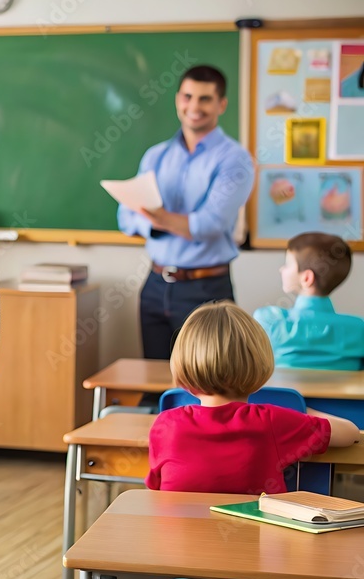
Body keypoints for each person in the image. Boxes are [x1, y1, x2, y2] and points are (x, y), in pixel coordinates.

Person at [147, 301, 359, 494]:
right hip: (257, 536)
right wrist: (305, 411)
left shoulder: (165, 425)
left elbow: (155, 490)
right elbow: (350, 433)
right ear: (258, 365)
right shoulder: (271, 421)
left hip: (178, 536)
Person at [117, 65, 254, 361]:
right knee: (154, 383)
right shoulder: (156, 155)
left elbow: (208, 225)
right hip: (154, 284)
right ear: (178, 98)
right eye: (188, 97)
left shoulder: (235, 159)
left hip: (206, 289)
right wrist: (163, 222)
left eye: (205, 99)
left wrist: (154, 217)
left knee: (210, 386)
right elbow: (124, 219)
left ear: (221, 104)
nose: (194, 107)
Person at [254, 232, 364, 370]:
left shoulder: (269, 320)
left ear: (307, 278)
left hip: (285, 392)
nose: (281, 269)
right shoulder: (359, 329)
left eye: (287, 264)